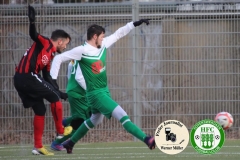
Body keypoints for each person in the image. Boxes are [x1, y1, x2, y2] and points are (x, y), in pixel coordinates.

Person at [50, 19, 155, 154]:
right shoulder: (82, 50)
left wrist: (134, 24)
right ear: (95, 37)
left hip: (103, 91)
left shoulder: (102, 45)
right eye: (101, 36)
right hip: (96, 94)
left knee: (94, 119)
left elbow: (118, 34)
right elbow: (58, 58)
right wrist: (53, 82)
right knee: (122, 116)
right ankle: (147, 139)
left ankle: (70, 143)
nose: (103, 39)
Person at [13, 5, 72, 156]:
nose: (65, 47)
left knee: (40, 110)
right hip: (26, 76)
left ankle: (38, 146)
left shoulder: (50, 56)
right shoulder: (45, 42)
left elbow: (47, 78)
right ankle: (60, 131)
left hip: (23, 80)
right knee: (54, 97)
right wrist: (32, 22)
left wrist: (59, 92)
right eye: (66, 43)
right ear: (60, 41)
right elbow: (34, 35)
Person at [50, 60, 91, 151]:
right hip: (78, 93)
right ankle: (57, 143)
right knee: (80, 123)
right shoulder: (87, 57)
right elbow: (79, 78)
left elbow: (69, 69)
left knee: (88, 116)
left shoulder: (75, 58)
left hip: (76, 91)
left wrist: (71, 85)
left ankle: (63, 123)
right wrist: (89, 89)